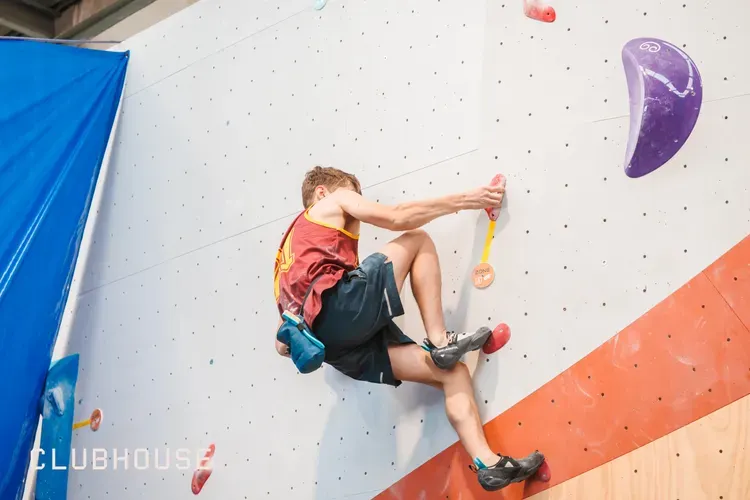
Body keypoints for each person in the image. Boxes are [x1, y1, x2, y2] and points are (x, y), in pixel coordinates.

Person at [273, 166, 544, 491]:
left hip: (336, 350)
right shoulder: (331, 201)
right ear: (322, 193)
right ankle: (440, 339)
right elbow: (398, 217)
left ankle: (489, 464)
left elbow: (281, 345)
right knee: (417, 239)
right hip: (341, 307)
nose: (354, 216)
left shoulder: (285, 261)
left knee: (452, 373)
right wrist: (470, 199)